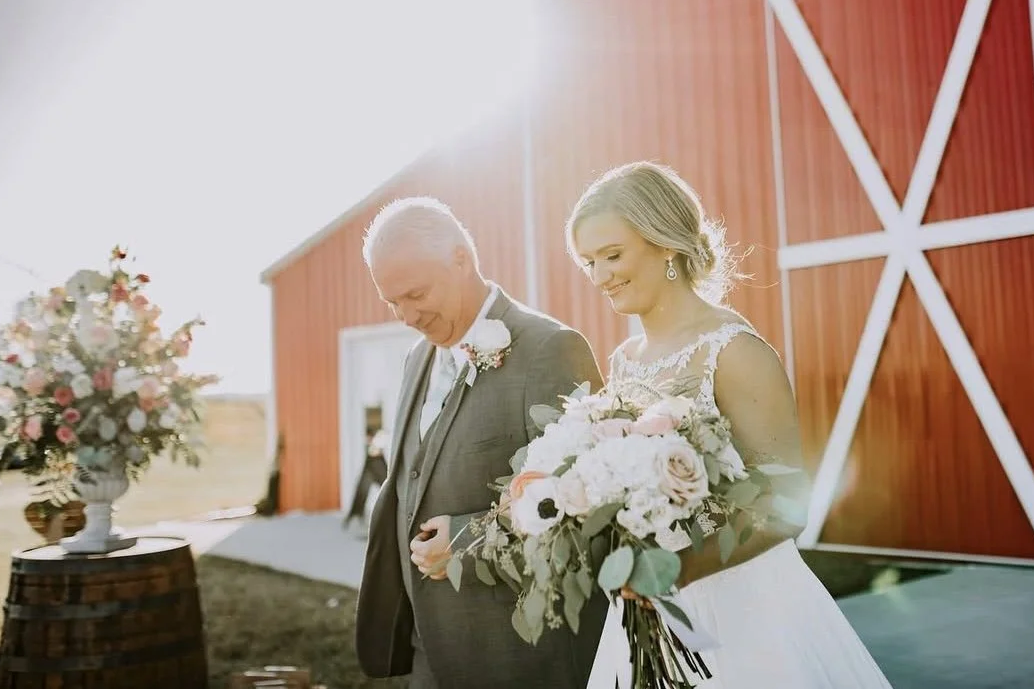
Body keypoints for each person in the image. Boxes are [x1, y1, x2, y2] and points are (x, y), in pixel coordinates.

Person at [567, 162, 894, 688]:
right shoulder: (624, 360)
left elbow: (788, 505)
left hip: (748, 607)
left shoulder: (733, 350)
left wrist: (680, 569)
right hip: (649, 601)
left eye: (612, 255)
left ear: (664, 244)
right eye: (588, 262)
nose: (599, 276)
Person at [354, 196, 607, 689]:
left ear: (461, 260)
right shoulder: (415, 359)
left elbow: (590, 508)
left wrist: (469, 539)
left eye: (416, 294)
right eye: (392, 302)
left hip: (518, 657)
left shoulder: (550, 349)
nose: (406, 315)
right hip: (428, 655)